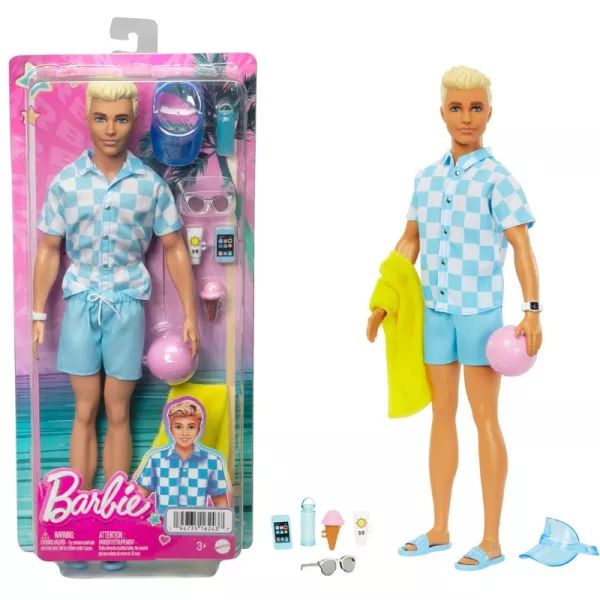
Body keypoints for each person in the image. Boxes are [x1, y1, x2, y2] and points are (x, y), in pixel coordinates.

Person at [367, 66, 542, 570]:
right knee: (441, 418)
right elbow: (410, 241)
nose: (466, 117)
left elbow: (522, 246)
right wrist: (385, 299)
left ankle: (491, 539)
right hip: (436, 314)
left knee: (485, 419)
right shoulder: (427, 178)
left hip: (480, 317)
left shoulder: (499, 180)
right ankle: (440, 528)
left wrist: (532, 310)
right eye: (457, 107)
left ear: (490, 113)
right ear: (442, 112)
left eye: (476, 107)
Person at [32, 81, 200, 490]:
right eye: (101, 118)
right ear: (87, 117)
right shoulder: (66, 183)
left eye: (121, 119)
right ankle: (77, 498)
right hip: (80, 302)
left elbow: (175, 248)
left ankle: (116, 501)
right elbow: (49, 249)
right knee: (85, 408)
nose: (110, 129)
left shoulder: (150, 185)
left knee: (119, 409)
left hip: (127, 304)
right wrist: (38, 313)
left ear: (134, 120)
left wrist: (190, 314)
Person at [135, 397, 229, 514]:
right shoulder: (156, 460)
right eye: (178, 427)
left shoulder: (213, 461)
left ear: (198, 429)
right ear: (170, 429)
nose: (185, 433)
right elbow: (139, 498)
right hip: (162, 524)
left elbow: (220, 502)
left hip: (197, 524)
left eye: (191, 427)